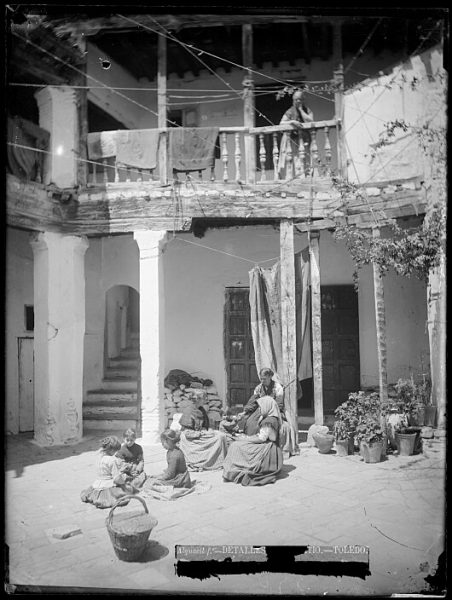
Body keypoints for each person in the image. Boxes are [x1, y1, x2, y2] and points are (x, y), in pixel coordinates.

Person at [250, 368, 298, 459]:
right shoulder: (258, 388)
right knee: (251, 423)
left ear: (270, 377)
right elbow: (254, 402)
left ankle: (276, 449)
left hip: (275, 411)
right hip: (261, 411)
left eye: (264, 378)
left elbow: (279, 404)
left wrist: (268, 413)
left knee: (284, 427)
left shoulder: (277, 387)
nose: (262, 381)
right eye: (261, 379)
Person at [222, 417, 284, 486]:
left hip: (267, 448)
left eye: (261, 407)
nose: (260, 409)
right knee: (237, 444)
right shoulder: (274, 419)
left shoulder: (268, 422)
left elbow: (261, 438)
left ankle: (233, 471)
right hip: (269, 445)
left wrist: (244, 439)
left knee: (235, 445)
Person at [80, 436, 132, 509]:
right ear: (112, 450)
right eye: (115, 451)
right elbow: (116, 478)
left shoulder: (99, 458)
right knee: (125, 485)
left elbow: (105, 471)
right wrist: (123, 482)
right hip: (108, 485)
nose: (116, 453)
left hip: (98, 484)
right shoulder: (112, 460)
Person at [178, 403, 229, 471]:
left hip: (200, 434)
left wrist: (208, 431)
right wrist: (202, 433)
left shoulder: (201, 409)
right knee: (219, 438)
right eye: (204, 398)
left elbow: (205, 426)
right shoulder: (189, 411)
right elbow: (187, 433)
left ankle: (220, 460)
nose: (206, 401)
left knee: (221, 435)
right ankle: (210, 462)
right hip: (191, 437)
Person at [278, 88, 314, 178]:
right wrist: (291, 122)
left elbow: (310, 120)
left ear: (303, 100)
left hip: (304, 139)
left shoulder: (306, 110)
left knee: (305, 161)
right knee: (294, 161)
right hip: (292, 140)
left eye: (300, 99)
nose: (298, 101)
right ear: (293, 100)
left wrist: (301, 110)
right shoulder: (290, 111)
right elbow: (281, 123)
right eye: (296, 99)